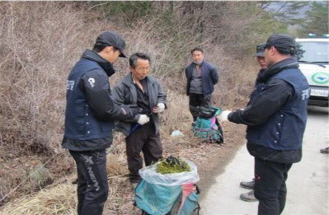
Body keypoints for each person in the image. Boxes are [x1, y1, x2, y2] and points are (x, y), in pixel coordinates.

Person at [218, 34, 309, 215]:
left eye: (265, 51)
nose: (263, 56)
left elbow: (255, 114)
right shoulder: (296, 75)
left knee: (266, 195)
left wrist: (230, 115)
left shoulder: (281, 81)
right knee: (277, 188)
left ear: (272, 50)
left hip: (273, 148)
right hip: (286, 144)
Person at [62, 31, 149, 215]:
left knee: (86, 186)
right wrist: (133, 115)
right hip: (88, 141)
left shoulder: (80, 67)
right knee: (98, 190)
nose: (117, 59)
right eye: (118, 54)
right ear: (110, 49)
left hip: (78, 137)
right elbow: (106, 109)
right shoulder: (94, 71)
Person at [112, 52, 167, 187]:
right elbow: (116, 107)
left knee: (155, 152)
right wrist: (135, 117)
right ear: (131, 68)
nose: (145, 71)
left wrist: (161, 104)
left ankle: (155, 177)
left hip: (151, 123)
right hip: (133, 127)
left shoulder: (153, 82)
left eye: (147, 67)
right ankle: (136, 179)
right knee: (134, 154)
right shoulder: (122, 86)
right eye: (141, 68)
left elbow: (161, 95)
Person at [239, 43, 267, 202]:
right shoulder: (263, 73)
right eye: (259, 57)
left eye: (264, 57)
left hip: (265, 124)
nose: (261, 61)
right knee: (258, 156)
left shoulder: (274, 76)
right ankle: (257, 181)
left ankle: (259, 190)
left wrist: (245, 114)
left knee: (265, 158)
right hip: (258, 123)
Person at [185, 47, 219, 122]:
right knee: (193, 110)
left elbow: (215, 80)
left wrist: (206, 86)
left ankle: (205, 129)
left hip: (204, 93)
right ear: (192, 56)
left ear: (202, 55)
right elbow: (189, 78)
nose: (196, 57)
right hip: (192, 93)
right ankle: (196, 125)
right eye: (194, 55)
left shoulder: (210, 68)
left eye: (198, 55)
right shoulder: (188, 68)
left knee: (205, 111)